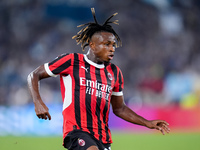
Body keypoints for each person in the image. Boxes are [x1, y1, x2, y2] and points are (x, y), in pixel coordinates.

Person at [27, 8, 170, 150]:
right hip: (77, 131)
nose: (112, 48)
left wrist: (147, 123)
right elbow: (34, 75)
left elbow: (119, 108)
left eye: (113, 45)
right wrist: (38, 101)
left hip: (102, 137)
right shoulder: (71, 61)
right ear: (92, 45)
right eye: (107, 44)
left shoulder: (115, 72)